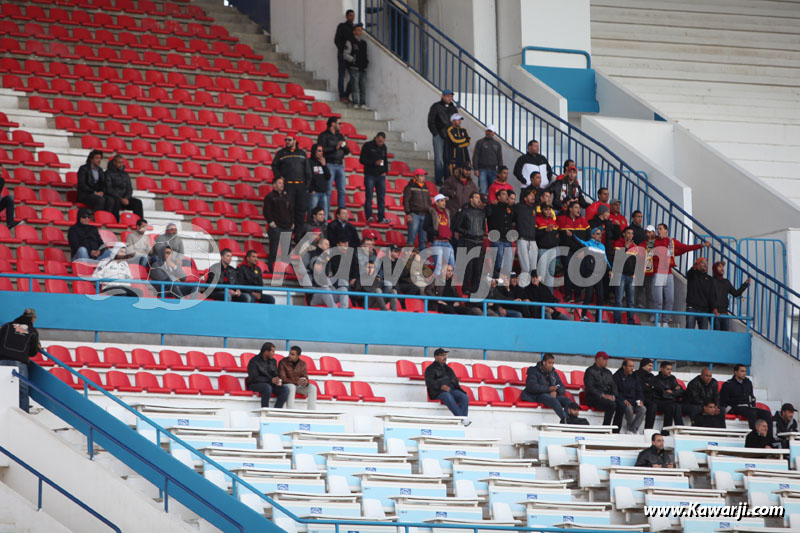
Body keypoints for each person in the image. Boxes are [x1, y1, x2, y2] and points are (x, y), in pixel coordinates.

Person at [650, 223, 711, 326]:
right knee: (658, 300)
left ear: (666, 230)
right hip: (659, 273)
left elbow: (685, 248)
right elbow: (649, 256)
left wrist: (701, 245)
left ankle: (665, 321)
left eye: (660, 229)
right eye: (657, 229)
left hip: (668, 273)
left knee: (670, 299)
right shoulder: (653, 241)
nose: (658, 231)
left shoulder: (671, 242)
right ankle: (657, 320)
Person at [0, 308, 39, 412]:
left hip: (2, 361)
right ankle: (23, 415)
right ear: (33, 318)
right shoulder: (32, 331)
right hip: (19, 363)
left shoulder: (7, 326)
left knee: (2, 388)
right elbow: (33, 352)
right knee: (22, 391)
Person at [272, 135, 312, 236]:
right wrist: (279, 177)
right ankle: (288, 233)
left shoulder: (302, 153)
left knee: (301, 210)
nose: (287, 142)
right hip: (288, 185)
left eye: (289, 140)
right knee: (288, 209)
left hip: (300, 186)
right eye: (285, 140)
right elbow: (274, 166)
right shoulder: (281, 153)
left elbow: (308, 170)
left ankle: (298, 235)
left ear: (295, 140)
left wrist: (307, 185)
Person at [572, 226, 611, 322]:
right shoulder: (588, 244)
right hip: (590, 274)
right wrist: (572, 235)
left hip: (599, 275)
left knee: (600, 297)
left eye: (601, 234)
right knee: (588, 295)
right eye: (598, 234)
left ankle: (599, 318)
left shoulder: (602, 246)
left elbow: (606, 259)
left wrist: (609, 269)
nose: (600, 236)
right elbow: (579, 241)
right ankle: (583, 315)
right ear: (592, 235)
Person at [720, 364, 772, 434]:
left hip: (748, 407)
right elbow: (723, 401)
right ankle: (754, 436)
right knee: (752, 413)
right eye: (742, 371)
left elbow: (752, 397)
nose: (744, 373)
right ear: (735, 372)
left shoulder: (748, 383)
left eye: (745, 371)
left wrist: (752, 405)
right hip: (736, 408)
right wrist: (730, 409)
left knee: (767, 413)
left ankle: (769, 437)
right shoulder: (728, 384)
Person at [424, 348, 471, 426]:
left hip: (451, 389)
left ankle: (461, 420)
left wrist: (455, 386)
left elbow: (455, 380)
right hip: (438, 391)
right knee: (447, 396)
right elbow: (429, 382)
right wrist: (441, 386)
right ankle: (463, 419)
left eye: (445, 355)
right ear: (436, 357)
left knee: (464, 397)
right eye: (442, 355)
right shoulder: (430, 369)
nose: (444, 357)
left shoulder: (448, 369)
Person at [452, 192, 487, 295]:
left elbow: (483, 227)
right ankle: (465, 289)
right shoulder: (464, 212)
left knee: (478, 267)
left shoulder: (482, 213)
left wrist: (482, 232)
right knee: (469, 267)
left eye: (479, 198)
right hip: (468, 241)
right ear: (470, 199)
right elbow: (456, 226)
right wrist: (467, 232)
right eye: (476, 197)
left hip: (479, 242)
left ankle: (476, 290)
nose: (478, 200)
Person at [521, 353, 572, 422]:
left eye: (552, 363)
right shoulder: (533, 371)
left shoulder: (553, 373)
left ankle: (569, 419)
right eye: (549, 363)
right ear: (544, 362)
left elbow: (561, 386)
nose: (551, 365)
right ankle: (566, 420)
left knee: (568, 402)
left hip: (551, 394)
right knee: (554, 401)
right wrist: (549, 389)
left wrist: (556, 392)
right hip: (537, 395)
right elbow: (531, 386)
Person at [557, 200, 590, 303]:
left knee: (578, 272)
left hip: (579, 251)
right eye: (576, 207)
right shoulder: (561, 219)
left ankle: (578, 296)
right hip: (566, 251)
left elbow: (588, 239)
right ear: (570, 209)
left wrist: (584, 251)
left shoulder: (584, 221)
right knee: (569, 271)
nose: (578, 210)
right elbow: (559, 236)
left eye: (579, 208)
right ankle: (568, 295)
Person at [317, 117, 349, 216]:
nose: (341, 125)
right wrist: (336, 147)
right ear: (332, 124)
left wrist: (345, 146)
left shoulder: (340, 136)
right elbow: (321, 150)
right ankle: (325, 213)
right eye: (339, 123)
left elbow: (347, 152)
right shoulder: (324, 135)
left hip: (340, 164)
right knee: (328, 190)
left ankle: (342, 213)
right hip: (329, 164)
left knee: (342, 191)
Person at [427, 89, 458, 186]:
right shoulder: (436, 106)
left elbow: (456, 121)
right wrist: (435, 134)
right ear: (443, 96)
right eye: (448, 96)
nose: (449, 98)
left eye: (451, 96)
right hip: (439, 135)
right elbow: (431, 121)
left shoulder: (453, 108)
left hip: (450, 136)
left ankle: (447, 178)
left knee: (448, 158)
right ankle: (439, 179)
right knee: (439, 158)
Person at [709, 261, 751, 331]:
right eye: (719, 266)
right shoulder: (711, 281)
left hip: (725, 313)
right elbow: (709, 297)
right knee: (717, 337)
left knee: (725, 337)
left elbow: (736, 293)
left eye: (723, 266)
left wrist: (745, 284)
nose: (722, 268)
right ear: (715, 269)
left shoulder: (726, 282)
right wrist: (713, 308)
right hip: (715, 314)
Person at [263, 176, 293, 271]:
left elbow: (291, 211)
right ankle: (272, 269)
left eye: (282, 183)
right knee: (274, 250)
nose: (282, 185)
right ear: (274, 185)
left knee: (285, 252)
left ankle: (284, 271)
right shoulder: (270, 196)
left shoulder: (286, 197)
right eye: (280, 183)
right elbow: (266, 211)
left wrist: (292, 222)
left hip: (287, 227)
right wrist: (271, 222)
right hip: (276, 228)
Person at [247, 342, 289, 408]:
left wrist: (279, 380)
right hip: (254, 384)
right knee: (267, 387)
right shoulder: (254, 361)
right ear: (266, 352)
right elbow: (254, 378)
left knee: (285, 389)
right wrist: (271, 380)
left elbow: (275, 373)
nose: (274, 354)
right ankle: (265, 410)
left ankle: (277, 411)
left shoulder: (273, 361)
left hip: (269, 383)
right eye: (272, 351)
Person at [584, 351, 620, 427]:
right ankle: (605, 427)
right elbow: (590, 388)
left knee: (621, 405)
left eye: (607, 359)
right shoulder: (590, 371)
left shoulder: (608, 372)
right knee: (611, 405)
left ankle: (616, 430)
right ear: (597, 359)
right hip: (594, 398)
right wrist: (602, 395)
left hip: (606, 397)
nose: (606, 361)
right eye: (604, 359)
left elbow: (614, 386)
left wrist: (613, 395)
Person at [360, 132, 390, 223]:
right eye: (380, 141)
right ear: (376, 138)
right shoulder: (367, 145)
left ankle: (381, 217)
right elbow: (362, 160)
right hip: (370, 175)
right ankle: (369, 216)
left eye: (383, 142)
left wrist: (385, 171)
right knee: (369, 196)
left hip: (381, 175)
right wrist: (374, 163)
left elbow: (385, 160)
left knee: (381, 198)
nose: (381, 143)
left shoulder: (384, 147)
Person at [612, 227, 639, 324]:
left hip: (631, 276)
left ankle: (631, 321)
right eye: (628, 233)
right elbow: (617, 260)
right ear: (624, 234)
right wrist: (626, 248)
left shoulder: (634, 246)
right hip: (620, 274)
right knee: (619, 299)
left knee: (630, 301)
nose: (630, 235)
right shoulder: (618, 244)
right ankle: (617, 321)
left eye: (632, 233)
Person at [423, 193, 455, 278]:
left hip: (447, 241)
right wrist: (437, 233)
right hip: (437, 241)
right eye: (441, 201)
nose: (444, 202)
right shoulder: (431, 212)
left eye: (444, 201)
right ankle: (436, 289)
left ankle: (448, 288)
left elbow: (448, 225)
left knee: (452, 267)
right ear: (436, 202)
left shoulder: (447, 212)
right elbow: (425, 226)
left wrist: (449, 233)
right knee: (438, 268)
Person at [104, 155, 143, 222]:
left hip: (125, 198)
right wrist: (121, 199)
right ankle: (115, 222)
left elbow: (129, 189)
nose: (121, 164)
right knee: (115, 202)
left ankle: (140, 223)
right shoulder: (108, 173)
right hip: (115, 198)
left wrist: (126, 198)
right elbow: (109, 189)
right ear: (114, 163)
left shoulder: (125, 174)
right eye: (119, 162)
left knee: (138, 202)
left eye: (122, 162)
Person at [613, 358, 647, 434]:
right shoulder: (616, 376)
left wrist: (640, 400)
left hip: (634, 401)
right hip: (624, 401)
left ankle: (632, 430)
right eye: (630, 366)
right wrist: (622, 400)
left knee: (643, 409)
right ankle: (632, 429)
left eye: (633, 366)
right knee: (628, 408)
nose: (632, 368)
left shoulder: (635, 376)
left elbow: (639, 391)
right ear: (624, 367)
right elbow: (615, 391)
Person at [278, 346, 317, 410]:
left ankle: (311, 411)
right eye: (289, 353)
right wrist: (297, 382)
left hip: (297, 385)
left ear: (298, 356)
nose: (290, 356)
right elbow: (283, 379)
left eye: (292, 354)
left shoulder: (303, 364)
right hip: (286, 385)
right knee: (291, 386)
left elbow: (305, 376)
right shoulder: (283, 362)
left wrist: (305, 382)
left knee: (312, 387)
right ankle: (290, 410)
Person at [486, 189, 514, 277]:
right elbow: (485, 214)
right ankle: (496, 285)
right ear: (498, 197)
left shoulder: (509, 208)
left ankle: (504, 285)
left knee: (508, 266)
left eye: (507, 194)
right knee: (498, 265)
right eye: (504, 194)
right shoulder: (492, 207)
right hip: (497, 239)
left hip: (507, 240)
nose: (506, 196)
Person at [652, 362, 685, 434]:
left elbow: (681, 392)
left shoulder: (672, 378)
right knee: (672, 406)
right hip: (659, 402)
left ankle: (680, 429)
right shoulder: (656, 380)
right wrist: (673, 392)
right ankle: (666, 430)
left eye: (670, 369)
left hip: (670, 402)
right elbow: (662, 394)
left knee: (677, 406)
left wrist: (672, 392)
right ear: (661, 369)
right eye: (667, 369)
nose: (669, 371)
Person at [513, 187, 538, 284]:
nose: (533, 197)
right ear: (525, 197)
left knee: (533, 269)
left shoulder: (534, 207)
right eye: (530, 195)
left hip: (533, 240)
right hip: (522, 239)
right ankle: (521, 290)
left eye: (533, 195)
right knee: (525, 268)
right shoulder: (518, 207)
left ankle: (528, 292)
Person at [403, 168, 431, 249]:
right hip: (414, 215)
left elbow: (429, 201)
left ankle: (422, 260)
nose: (423, 177)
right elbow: (406, 201)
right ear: (416, 176)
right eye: (421, 176)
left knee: (423, 240)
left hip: (424, 215)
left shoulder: (426, 187)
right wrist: (408, 214)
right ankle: (407, 259)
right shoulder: (409, 187)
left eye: (424, 176)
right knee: (411, 239)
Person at [343, 23, 368, 109]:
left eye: (361, 30)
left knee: (363, 88)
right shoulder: (350, 41)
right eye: (358, 30)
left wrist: (366, 62)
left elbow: (365, 55)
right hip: (354, 68)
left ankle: (363, 104)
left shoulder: (364, 43)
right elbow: (345, 54)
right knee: (355, 87)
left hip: (363, 68)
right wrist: (353, 60)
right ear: (354, 31)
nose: (360, 32)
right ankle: (355, 103)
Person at [473, 125, 503, 195]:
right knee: (483, 190)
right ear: (485, 131)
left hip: (494, 171)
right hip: (482, 170)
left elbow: (500, 158)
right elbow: (475, 156)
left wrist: (500, 171)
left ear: (494, 133)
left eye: (490, 131)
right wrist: (475, 169)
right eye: (488, 131)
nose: (489, 133)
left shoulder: (498, 144)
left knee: (493, 191)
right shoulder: (479, 142)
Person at [685, 257, 713, 329]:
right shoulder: (692, 275)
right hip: (692, 308)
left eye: (706, 263)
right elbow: (689, 274)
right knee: (689, 332)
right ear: (697, 265)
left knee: (703, 335)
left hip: (704, 310)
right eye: (702, 262)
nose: (705, 264)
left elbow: (711, 295)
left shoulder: (709, 279)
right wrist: (693, 268)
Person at [334, 10, 355, 103]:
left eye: (353, 16)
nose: (352, 17)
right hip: (342, 54)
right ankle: (342, 96)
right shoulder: (341, 26)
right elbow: (336, 40)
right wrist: (343, 50)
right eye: (350, 15)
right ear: (346, 16)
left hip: (350, 55)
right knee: (341, 75)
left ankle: (346, 95)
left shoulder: (354, 28)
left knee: (353, 75)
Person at [307, 143, 331, 221]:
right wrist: (311, 190)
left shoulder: (323, 163)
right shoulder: (309, 162)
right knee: (312, 216)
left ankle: (323, 232)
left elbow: (328, 176)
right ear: (314, 151)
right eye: (319, 151)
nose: (321, 153)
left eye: (322, 151)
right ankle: (310, 233)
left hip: (323, 193)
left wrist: (324, 165)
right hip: (314, 193)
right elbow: (306, 177)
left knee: (324, 217)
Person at [444, 113, 470, 178]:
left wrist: (459, 144)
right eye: (458, 120)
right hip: (454, 159)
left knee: (464, 177)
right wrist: (464, 140)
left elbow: (469, 141)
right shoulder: (450, 130)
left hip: (464, 158)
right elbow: (454, 141)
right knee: (454, 177)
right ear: (453, 121)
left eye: (460, 120)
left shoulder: (464, 130)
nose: (460, 121)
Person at [637, 358, 658, 430]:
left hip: (651, 398)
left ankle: (649, 430)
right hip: (640, 398)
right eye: (649, 365)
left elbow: (655, 387)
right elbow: (641, 387)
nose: (651, 368)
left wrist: (649, 386)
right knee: (652, 406)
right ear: (643, 365)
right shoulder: (637, 374)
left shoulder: (651, 376)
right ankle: (648, 430)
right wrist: (650, 387)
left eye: (652, 366)